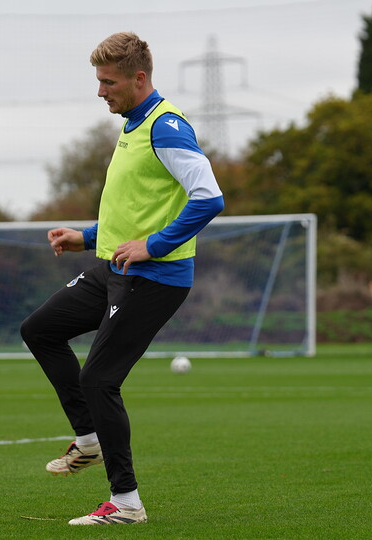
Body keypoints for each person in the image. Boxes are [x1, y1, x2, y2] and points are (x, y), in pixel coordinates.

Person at [20, 32, 224, 526]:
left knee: (99, 380)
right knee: (40, 330)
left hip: (155, 277)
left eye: (108, 82)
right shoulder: (133, 124)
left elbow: (209, 197)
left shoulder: (166, 127)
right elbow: (136, 208)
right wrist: (87, 237)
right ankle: (88, 439)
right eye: (98, 81)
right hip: (115, 269)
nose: (100, 91)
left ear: (139, 78)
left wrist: (155, 246)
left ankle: (127, 503)